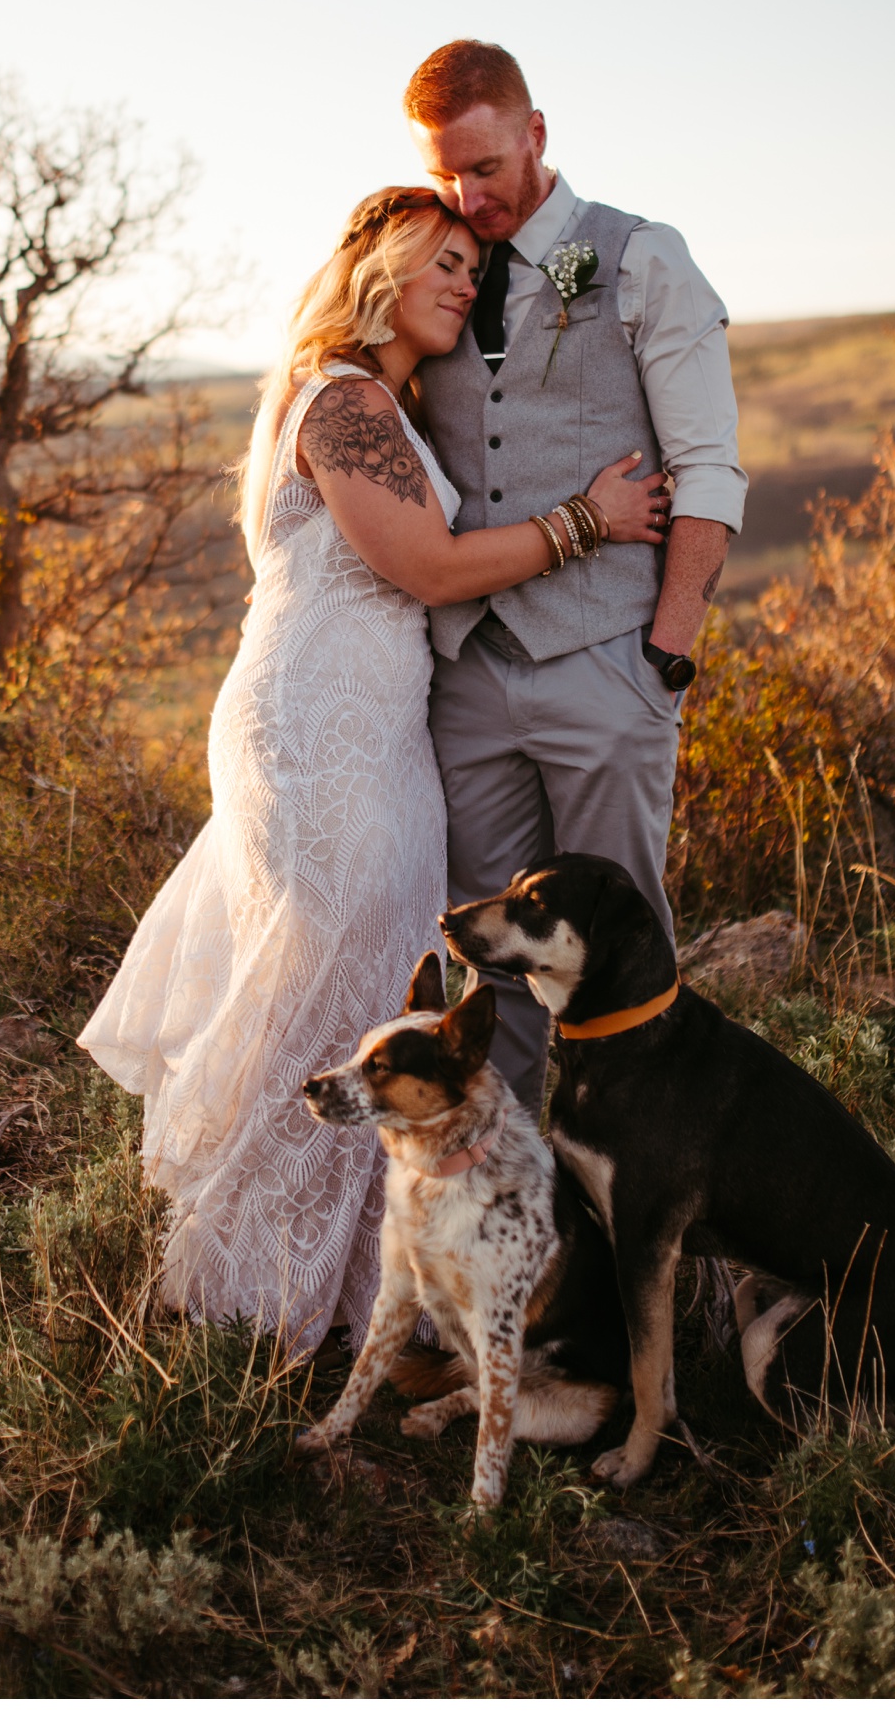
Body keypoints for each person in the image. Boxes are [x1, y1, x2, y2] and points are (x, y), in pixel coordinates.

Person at [77, 186, 669, 1357]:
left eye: (475, 265)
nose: (466, 279)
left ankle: (337, 1297)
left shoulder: (379, 403)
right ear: (380, 264)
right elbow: (428, 562)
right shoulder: (342, 398)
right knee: (329, 995)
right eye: (444, 259)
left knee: (357, 995)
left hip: (378, 730)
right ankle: (242, 1301)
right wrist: (587, 522)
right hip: (318, 731)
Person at [407, 39, 748, 1114]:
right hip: (469, 673)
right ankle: (512, 1218)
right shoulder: (438, 270)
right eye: (447, 173)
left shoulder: (643, 257)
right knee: (487, 965)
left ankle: (641, 1220)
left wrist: (666, 654)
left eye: (487, 166)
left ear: (536, 135)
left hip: (608, 662)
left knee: (619, 964)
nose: (469, 194)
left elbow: (708, 471)